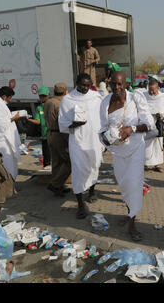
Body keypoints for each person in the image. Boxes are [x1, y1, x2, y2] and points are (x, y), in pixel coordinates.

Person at [100, 71, 155, 241]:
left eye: (120, 84)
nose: (117, 88)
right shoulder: (104, 102)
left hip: (135, 148)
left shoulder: (135, 98)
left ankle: (132, 223)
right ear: (109, 84)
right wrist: (105, 139)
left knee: (133, 183)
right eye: (113, 84)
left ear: (125, 84)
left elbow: (149, 124)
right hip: (117, 151)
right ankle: (129, 212)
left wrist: (132, 129)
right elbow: (101, 128)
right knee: (123, 184)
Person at [59, 73, 104, 219]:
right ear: (76, 83)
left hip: (94, 141)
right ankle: (80, 204)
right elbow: (62, 124)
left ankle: (91, 191)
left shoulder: (96, 97)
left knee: (94, 165)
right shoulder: (67, 100)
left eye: (87, 85)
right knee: (78, 170)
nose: (85, 88)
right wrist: (73, 124)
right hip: (77, 141)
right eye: (82, 84)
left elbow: (102, 116)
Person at [43, 83, 72, 197]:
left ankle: (59, 186)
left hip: (49, 134)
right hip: (59, 135)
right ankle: (55, 184)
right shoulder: (60, 104)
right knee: (69, 162)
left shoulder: (48, 102)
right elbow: (63, 124)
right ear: (65, 91)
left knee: (56, 162)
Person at [143, 78, 164, 172]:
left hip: (159, 124)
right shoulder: (143, 96)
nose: (151, 92)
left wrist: (163, 116)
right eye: (149, 90)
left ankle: (157, 164)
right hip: (147, 124)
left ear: (158, 88)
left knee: (158, 144)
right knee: (146, 144)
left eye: (153, 90)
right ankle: (145, 164)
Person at [0, 87, 22, 180]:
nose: (11, 99)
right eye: (10, 97)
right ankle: (8, 183)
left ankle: (11, 181)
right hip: (2, 140)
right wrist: (13, 118)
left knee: (11, 161)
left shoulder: (0, 103)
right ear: (4, 96)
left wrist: (11, 116)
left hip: (5, 138)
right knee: (7, 162)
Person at [26, 87, 51, 170]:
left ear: (48, 95)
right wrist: (29, 119)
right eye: (41, 96)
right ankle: (47, 171)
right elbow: (38, 121)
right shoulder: (39, 108)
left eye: (44, 96)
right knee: (47, 155)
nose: (43, 97)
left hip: (54, 134)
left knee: (54, 155)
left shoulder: (53, 104)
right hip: (45, 135)